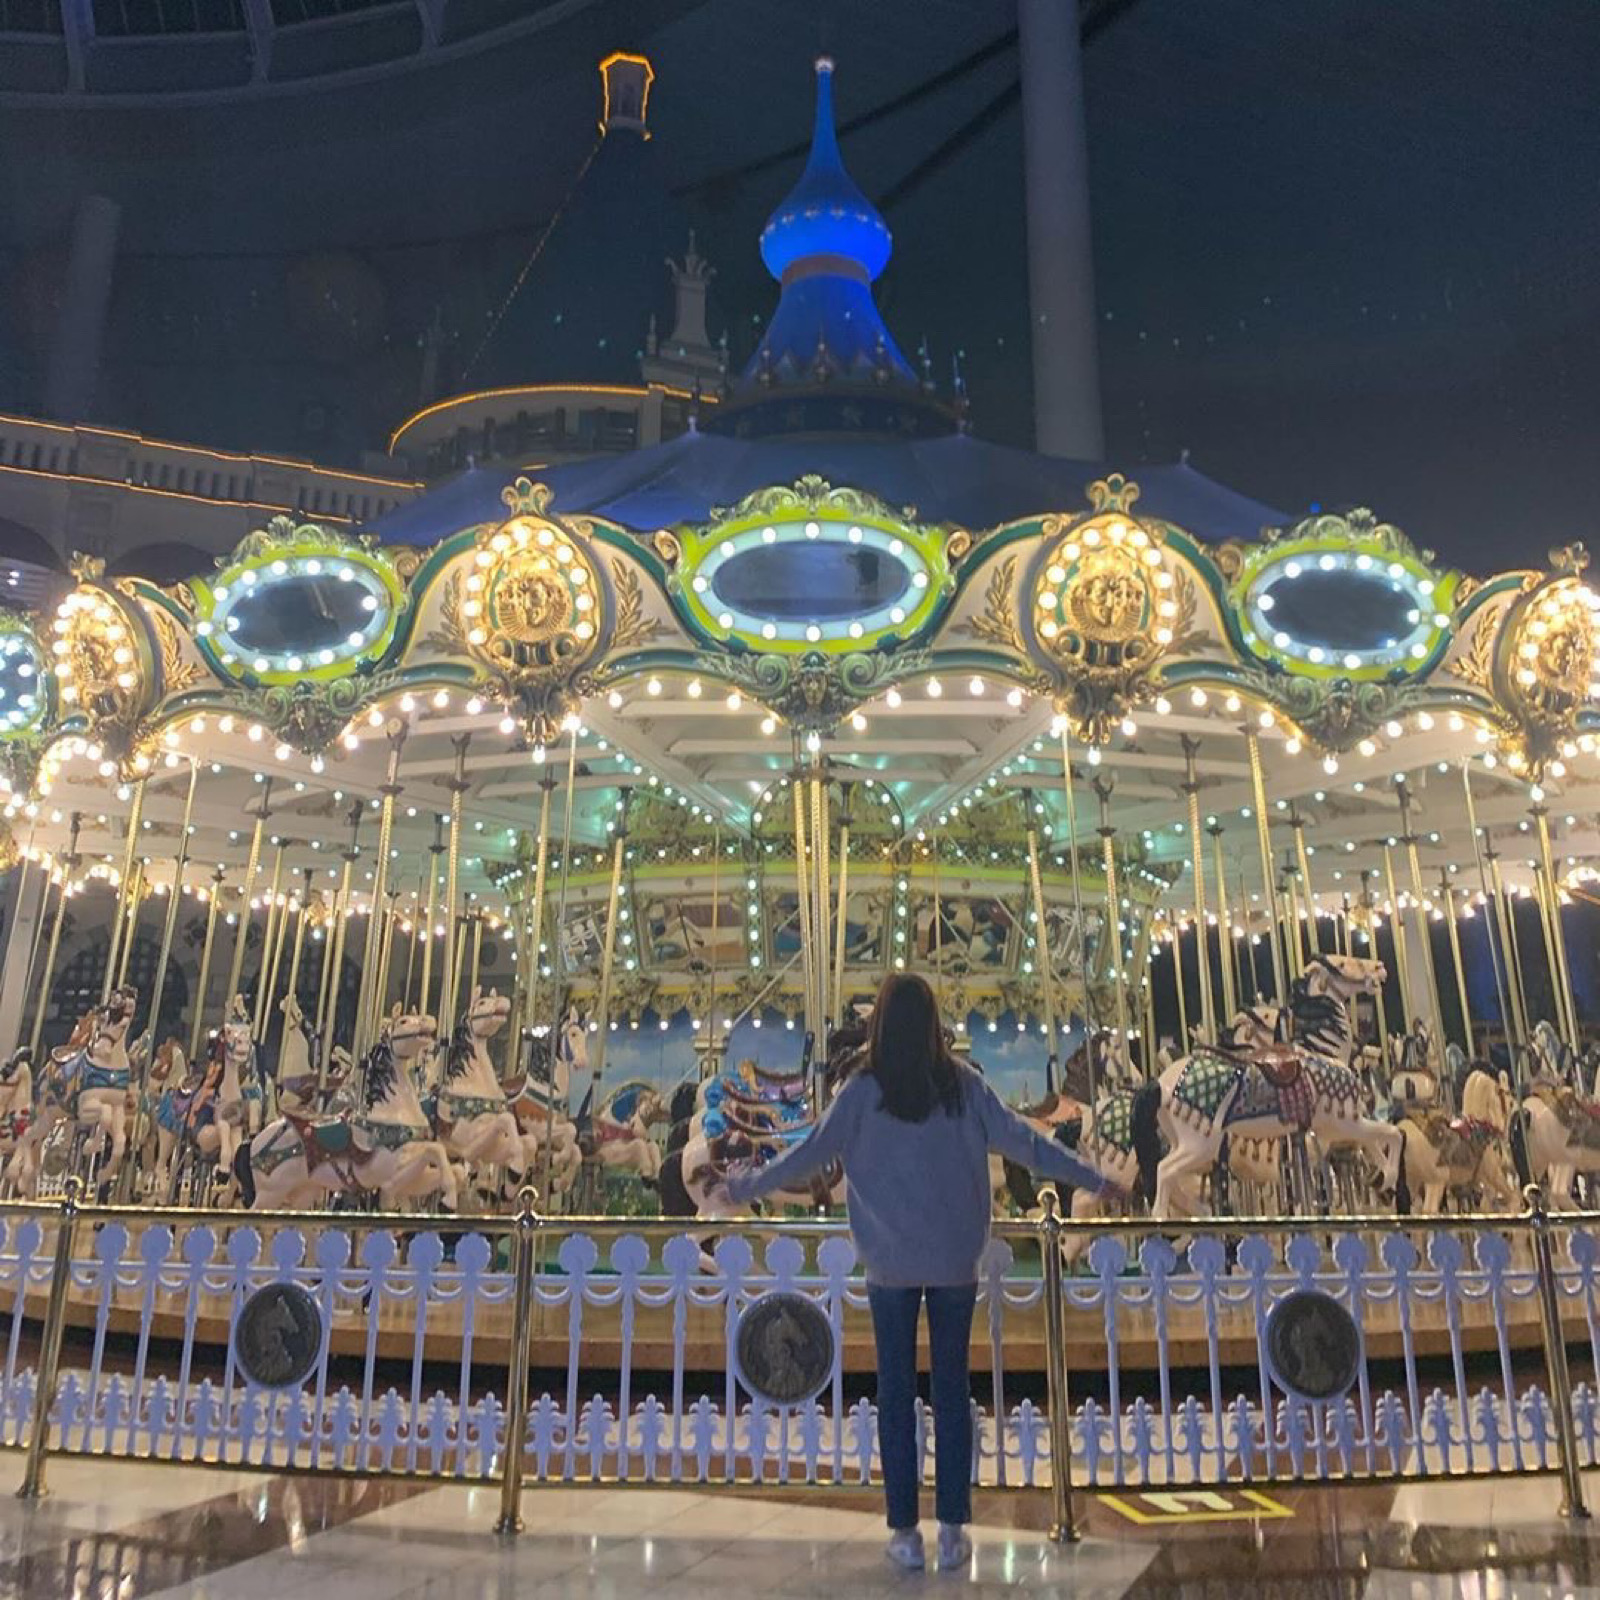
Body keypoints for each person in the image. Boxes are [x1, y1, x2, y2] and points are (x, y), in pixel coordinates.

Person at [721, 972, 1121, 1573]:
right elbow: (1026, 1143)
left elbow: (810, 1153)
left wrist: (748, 1185)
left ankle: (905, 1531)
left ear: (880, 1024)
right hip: (955, 1259)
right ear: (935, 1023)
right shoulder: (962, 1085)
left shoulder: (861, 1090)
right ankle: (954, 1527)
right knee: (952, 1392)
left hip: (890, 1264)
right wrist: (1094, 1177)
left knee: (895, 1394)